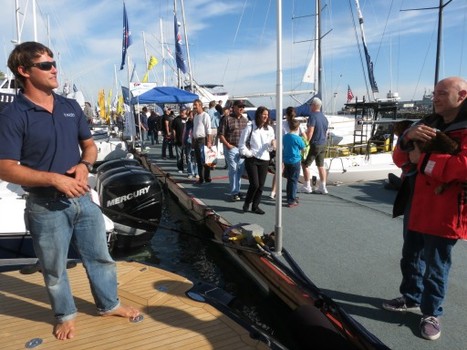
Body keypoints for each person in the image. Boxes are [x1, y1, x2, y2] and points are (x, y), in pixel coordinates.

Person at [0, 42, 140, 340]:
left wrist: (84, 166)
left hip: (82, 198)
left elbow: (88, 146)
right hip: (44, 205)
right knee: (54, 269)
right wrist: (54, 179)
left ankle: (108, 304)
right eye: (46, 65)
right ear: (24, 71)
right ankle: (65, 314)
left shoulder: (70, 106)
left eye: (53, 63)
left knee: (100, 257)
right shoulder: (13, 115)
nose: (54, 69)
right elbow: (5, 167)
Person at [382, 76, 467, 341]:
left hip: (446, 211)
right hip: (417, 204)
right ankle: (411, 297)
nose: (435, 97)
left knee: (436, 267)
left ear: (462, 95)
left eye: (442, 92)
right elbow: (399, 159)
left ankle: (432, 313)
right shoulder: (425, 124)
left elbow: (463, 167)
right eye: (434, 93)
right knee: (411, 257)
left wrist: (424, 160)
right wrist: (407, 136)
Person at [239, 106, 276, 214]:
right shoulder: (250, 126)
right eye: (264, 114)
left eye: (267, 115)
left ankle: (255, 206)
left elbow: (269, 146)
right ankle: (247, 202)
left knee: (261, 185)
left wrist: (272, 144)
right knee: (254, 184)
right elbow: (241, 144)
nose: (266, 116)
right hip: (252, 159)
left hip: (264, 159)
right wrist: (248, 153)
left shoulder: (269, 129)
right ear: (258, 115)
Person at [218, 100, 248, 201]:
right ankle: (234, 192)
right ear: (234, 107)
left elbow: (247, 136)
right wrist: (227, 145)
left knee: (239, 171)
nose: (241, 108)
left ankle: (237, 190)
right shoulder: (227, 119)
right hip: (231, 147)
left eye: (243, 107)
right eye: (239, 106)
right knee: (234, 169)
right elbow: (221, 134)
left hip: (241, 149)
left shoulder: (245, 120)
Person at [300, 97, 329, 194]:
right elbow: (325, 132)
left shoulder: (312, 116)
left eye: (311, 105)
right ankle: (323, 187)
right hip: (323, 143)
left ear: (314, 106)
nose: (310, 107)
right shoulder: (324, 118)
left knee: (305, 164)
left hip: (315, 144)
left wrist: (306, 142)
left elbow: (310, 131)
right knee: (320, 165)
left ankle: (307, 186)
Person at [283, 118, 306, 207]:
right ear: (297, 128)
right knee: (294, 180)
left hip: (286, 160)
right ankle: (291, 199)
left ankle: (290, 196)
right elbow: (303, 148)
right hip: (295, 160)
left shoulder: (284, 137)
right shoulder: (298, 138)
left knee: (289, 180)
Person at [192, 99, 212, 184]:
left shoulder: (205, 115)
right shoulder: (196, 116)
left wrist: (209, 142)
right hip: (196, 140)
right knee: (199, 160)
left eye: (195, 105)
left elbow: (208, 130)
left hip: (202, 140)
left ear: (200, 105)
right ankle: (203, 177)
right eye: (194, 105)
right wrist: (193, 140)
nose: (194, 106)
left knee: (204, 159)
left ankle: (205, 178)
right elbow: (195, 128)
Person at [182, 108, 198, 179]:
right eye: (190, 115)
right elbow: (184, 132)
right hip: (188, 141)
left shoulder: (197, 122)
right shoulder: (187, 123)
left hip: (195, 141)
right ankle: (190, 172)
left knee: (195, 158)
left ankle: (196, 172)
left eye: (192, 115)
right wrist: (183, 141)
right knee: (188, 157)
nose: (191, 116)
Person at [172, 106, 188, 173]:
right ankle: (180, 168)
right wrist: (174, 138)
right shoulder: (176, 119)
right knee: (179, 156)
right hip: (178, 140)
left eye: (183, 110)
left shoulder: (188, 119)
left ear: (186, 111)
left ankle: (188, 168)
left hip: (187, 141)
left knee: (188, 155)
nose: (182, 111)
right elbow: (173, 129)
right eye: (181, 110)